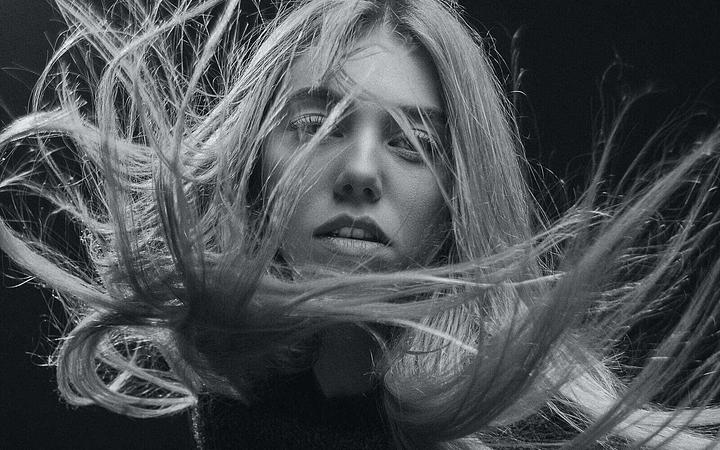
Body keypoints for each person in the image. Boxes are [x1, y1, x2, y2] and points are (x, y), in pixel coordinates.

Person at [1, 0, 720, 447]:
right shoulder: (240, 410)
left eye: (414, 144)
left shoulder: (540, 426)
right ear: (253, 166)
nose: (361, 172)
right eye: (318, 126)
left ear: (457, 200)